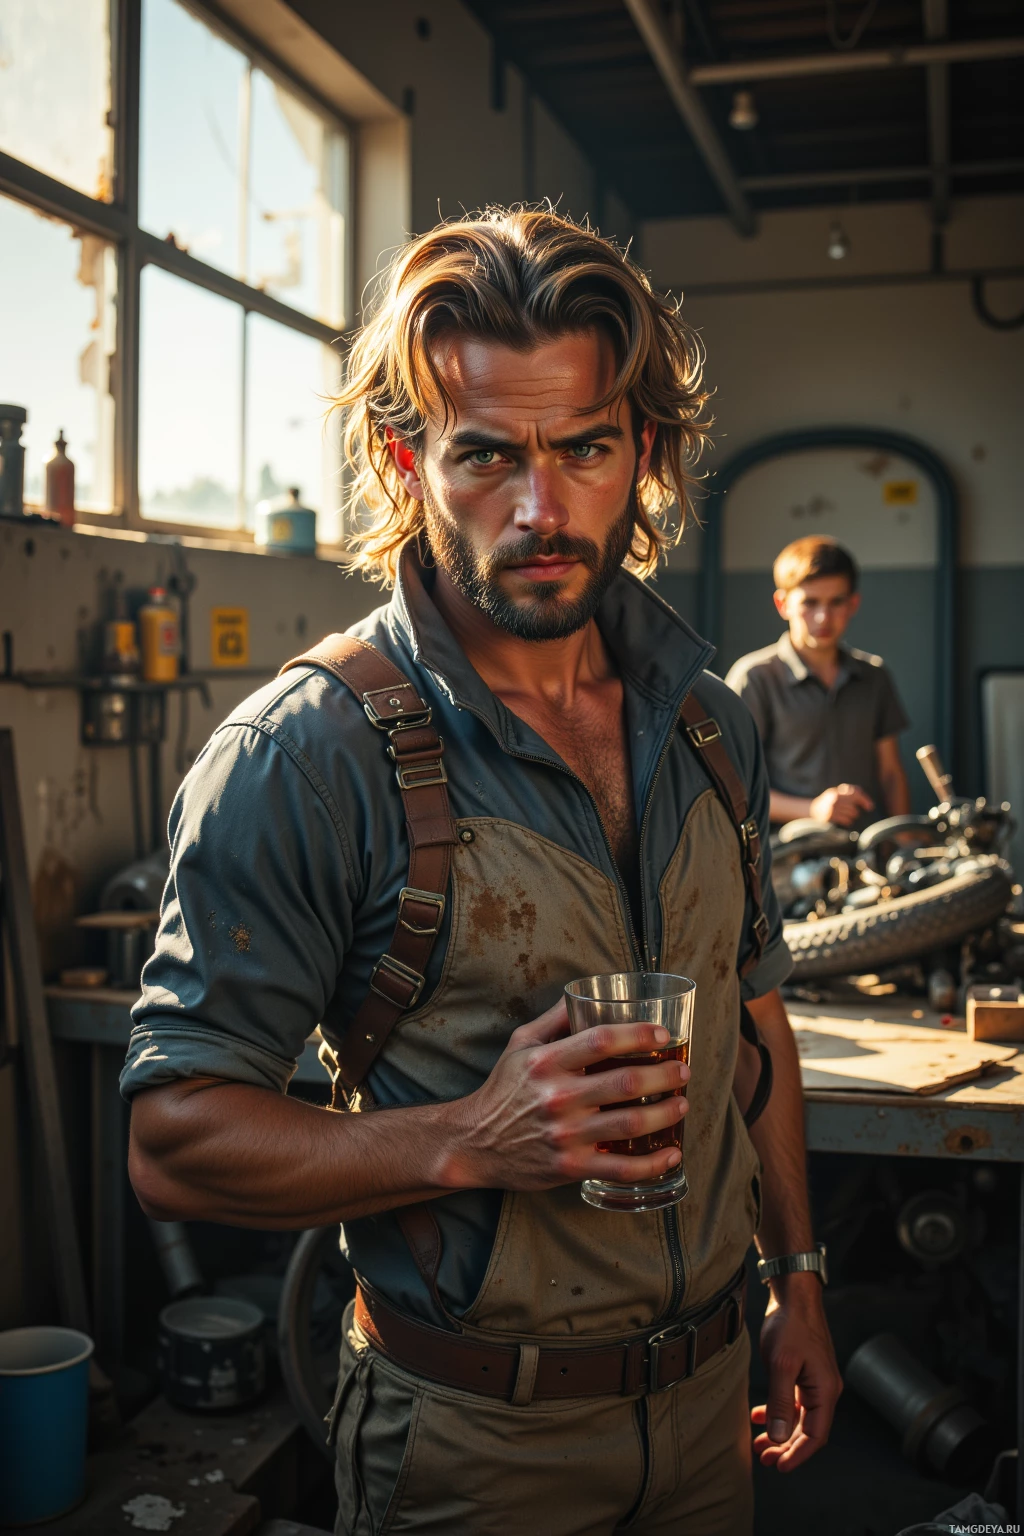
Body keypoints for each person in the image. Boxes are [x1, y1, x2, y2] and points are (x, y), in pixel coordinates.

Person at [123, 209, 840, 1536]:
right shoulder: (307, 754)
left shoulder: (707, 719)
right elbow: (174, 1145)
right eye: (486, 455)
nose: (540, 508)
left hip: (705, 1412)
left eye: (585, 449)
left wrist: (797, 1279)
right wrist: (470, 1139)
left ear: (649, 455)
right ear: (408, 461)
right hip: (473, 1446)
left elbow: (753, 1015)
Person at [726, 537, 910, 829]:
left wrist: (904, 840)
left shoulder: (874, 675)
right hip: (785, 858)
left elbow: (891, 773)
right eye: (810, 603)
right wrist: (812, 809)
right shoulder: (755, 677)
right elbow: (731, 785)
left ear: (853, 604)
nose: (824, 617)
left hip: (866, 853)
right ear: (782, 603)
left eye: (836, 602)